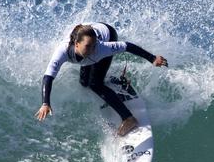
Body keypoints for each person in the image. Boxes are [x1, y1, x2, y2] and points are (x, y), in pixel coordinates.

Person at [35, 22, 168, 136]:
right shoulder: (62, 52)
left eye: (93, 47)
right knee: (84, 83)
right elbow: (48, 76)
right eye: (88, 47)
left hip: (107, 33)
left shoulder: (101, 48)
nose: (92, 50)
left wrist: (152, 58)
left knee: (95, 84)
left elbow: (127, 46)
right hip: (88, 32)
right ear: (76, 44)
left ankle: (128, 118)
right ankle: (113, 81)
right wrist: (45, 103)